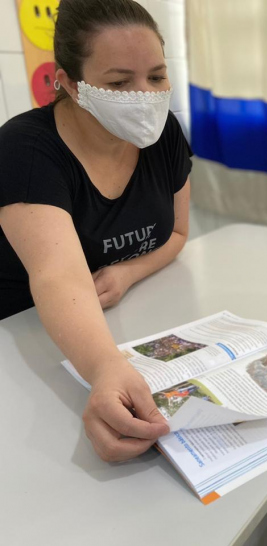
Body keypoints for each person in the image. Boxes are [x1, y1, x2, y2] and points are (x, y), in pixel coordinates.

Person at [0, 0, 192, 461]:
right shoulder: (25, 150)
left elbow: (179, 234)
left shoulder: (163, 133)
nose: (145, 96)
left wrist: (127, 273)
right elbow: (58, 277)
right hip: (25, 339)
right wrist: (106, 369)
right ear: (68, 82)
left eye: (157, 76)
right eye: (120, 82)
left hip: (116, 326)